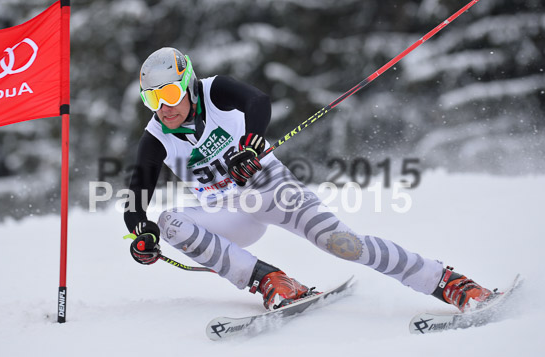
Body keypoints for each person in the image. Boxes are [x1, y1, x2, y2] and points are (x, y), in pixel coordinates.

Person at [124, 47, 494, 311]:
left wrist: (250, 146)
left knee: (341, 242)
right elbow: (136, 194)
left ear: (187, 84)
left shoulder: (213, 90)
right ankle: (270, 280)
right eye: (152, 99)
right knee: (170, 222)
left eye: (171, 93)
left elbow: (258, 102)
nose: (165, 106)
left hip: (270, 189)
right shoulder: (156, 135)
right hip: (228, 214)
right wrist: (143, 233)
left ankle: (446, 282)